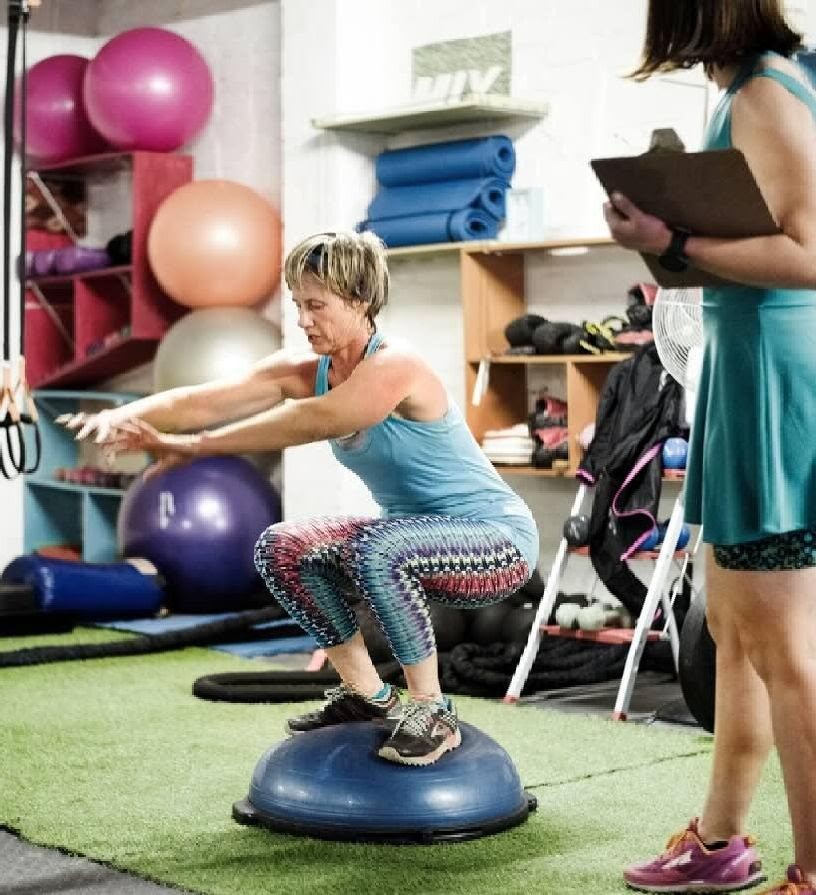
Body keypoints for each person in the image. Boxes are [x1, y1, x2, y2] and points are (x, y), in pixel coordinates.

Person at [60, 230, 538, 767]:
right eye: (297, 304)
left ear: (359, 301)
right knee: (282, 548)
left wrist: (190, 448)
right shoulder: (306, 369)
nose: (303, 319)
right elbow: (208, 400)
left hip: (499, 544)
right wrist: (123, 417)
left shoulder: (397, 366)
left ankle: (432, 712)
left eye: (316, 305)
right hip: (407, 541)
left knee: (377, 548)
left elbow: (316, 419)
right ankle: (368, 696)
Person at [603, 2, 816, 893]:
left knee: (783, 645)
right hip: (742, 366)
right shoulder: (743, 91)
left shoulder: (766, 92)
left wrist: (674, 239)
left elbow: (810, 251)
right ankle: (722, 841)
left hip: (775, 375)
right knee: (731, 627)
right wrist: (671, 242)